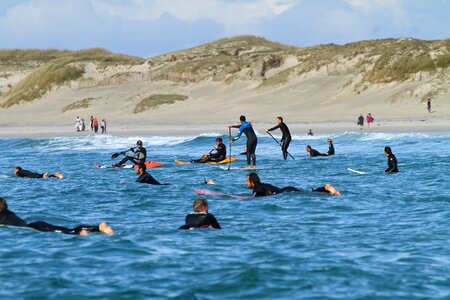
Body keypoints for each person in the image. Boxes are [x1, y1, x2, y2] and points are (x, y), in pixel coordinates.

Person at [0, 197, 114, 235]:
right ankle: (98, 227)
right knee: (68, 230)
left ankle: (79, 233)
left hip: (33, 228)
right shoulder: (9, 212)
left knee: (68, 233)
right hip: (37, 223)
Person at [246, 173, 340, 197]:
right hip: (286, 190)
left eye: (247, 181)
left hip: (286, 192)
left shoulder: (257, 188)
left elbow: (254, 197)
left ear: (252, 182)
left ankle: (325, 188)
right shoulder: (262, 185)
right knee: (309, 193)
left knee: (310, 195)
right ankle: (327, 191)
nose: (246, 183)